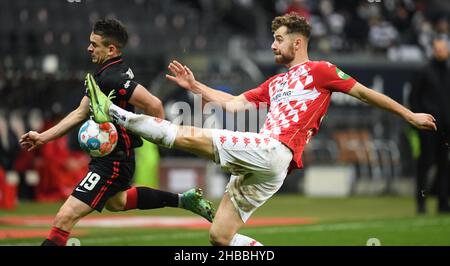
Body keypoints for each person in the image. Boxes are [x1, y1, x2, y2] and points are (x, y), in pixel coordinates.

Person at [86, 13, 437, 246]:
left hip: (275, 149)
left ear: (297, 43)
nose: (273, 44)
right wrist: (197, 87)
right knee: (220, 237)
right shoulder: (275, 82)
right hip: (270, 168)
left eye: (279, 38)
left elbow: (364, 92)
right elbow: (235, 102)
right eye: (273, 38)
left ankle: (116, 114)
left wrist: (409, 115)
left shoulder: (321, 70)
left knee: (191, 137)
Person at [19, 18, 214, 246]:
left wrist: (153, 134)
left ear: (111, 49)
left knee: (64, 217)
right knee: (117, 202)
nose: (89, 48)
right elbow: (81, 112)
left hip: (114, 161)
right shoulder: (104, 74)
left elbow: (154, 104)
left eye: (94, 44)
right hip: (111, 158)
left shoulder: (114, 78)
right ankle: (184, 200)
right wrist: (43, 137)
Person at [410, 36, 450, 214]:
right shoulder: (424, 71)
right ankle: (421, 203)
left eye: (443, 48)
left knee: (444, 165)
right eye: (438, 48)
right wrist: (418, 122)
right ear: (433, 50)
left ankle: (443, 203)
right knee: (424, 166)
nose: (441, 51)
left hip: (446, 129)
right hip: (427, 127)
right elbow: (414, 98)